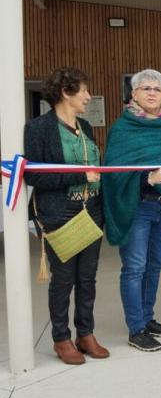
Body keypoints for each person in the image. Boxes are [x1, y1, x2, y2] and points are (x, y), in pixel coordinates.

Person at [24, 67, 109, 364]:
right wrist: (80, 175)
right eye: (84, 90)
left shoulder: (84, 126)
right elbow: (35, 176)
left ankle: (85, 334)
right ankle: (61, 338)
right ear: (65, 92)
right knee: (63, 280)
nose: (88, 96)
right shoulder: (38, 128)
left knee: (88, 278)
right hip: (61, 213)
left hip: (92, 210)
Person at [102, 69, 161, 352]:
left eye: (158, 89)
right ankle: (136, 328)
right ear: (134, 94)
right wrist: (146, 178)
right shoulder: (123, 128)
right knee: (134, 268)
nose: (152, 93)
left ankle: (148, 319)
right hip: (137, 207)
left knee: (154, 266)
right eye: (146, 88)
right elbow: (113, 172)